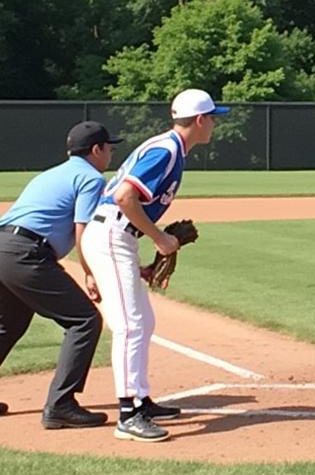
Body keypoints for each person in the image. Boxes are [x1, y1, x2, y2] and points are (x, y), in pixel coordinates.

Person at [80, 88, 228, 442]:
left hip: (119, 236)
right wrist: (160, 238)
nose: (214, 125)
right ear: (200, 120)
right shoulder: (166, 150)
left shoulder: (172, 148)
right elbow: (123, 196)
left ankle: (141, 400)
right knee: (130, 325)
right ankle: (128, 413)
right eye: (213, 118)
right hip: (111, 234)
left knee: (143, 321)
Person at [0, 121, 122, 428]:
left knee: (8, 324)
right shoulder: (91, 178)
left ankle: (61, 403)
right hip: (26, 252)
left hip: (4, 245)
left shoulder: (53, 173)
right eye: (109, 148)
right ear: (96, 150)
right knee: (84, 320)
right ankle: (61, 405)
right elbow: (84, 230)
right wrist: (90, 273)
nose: (110, 154)